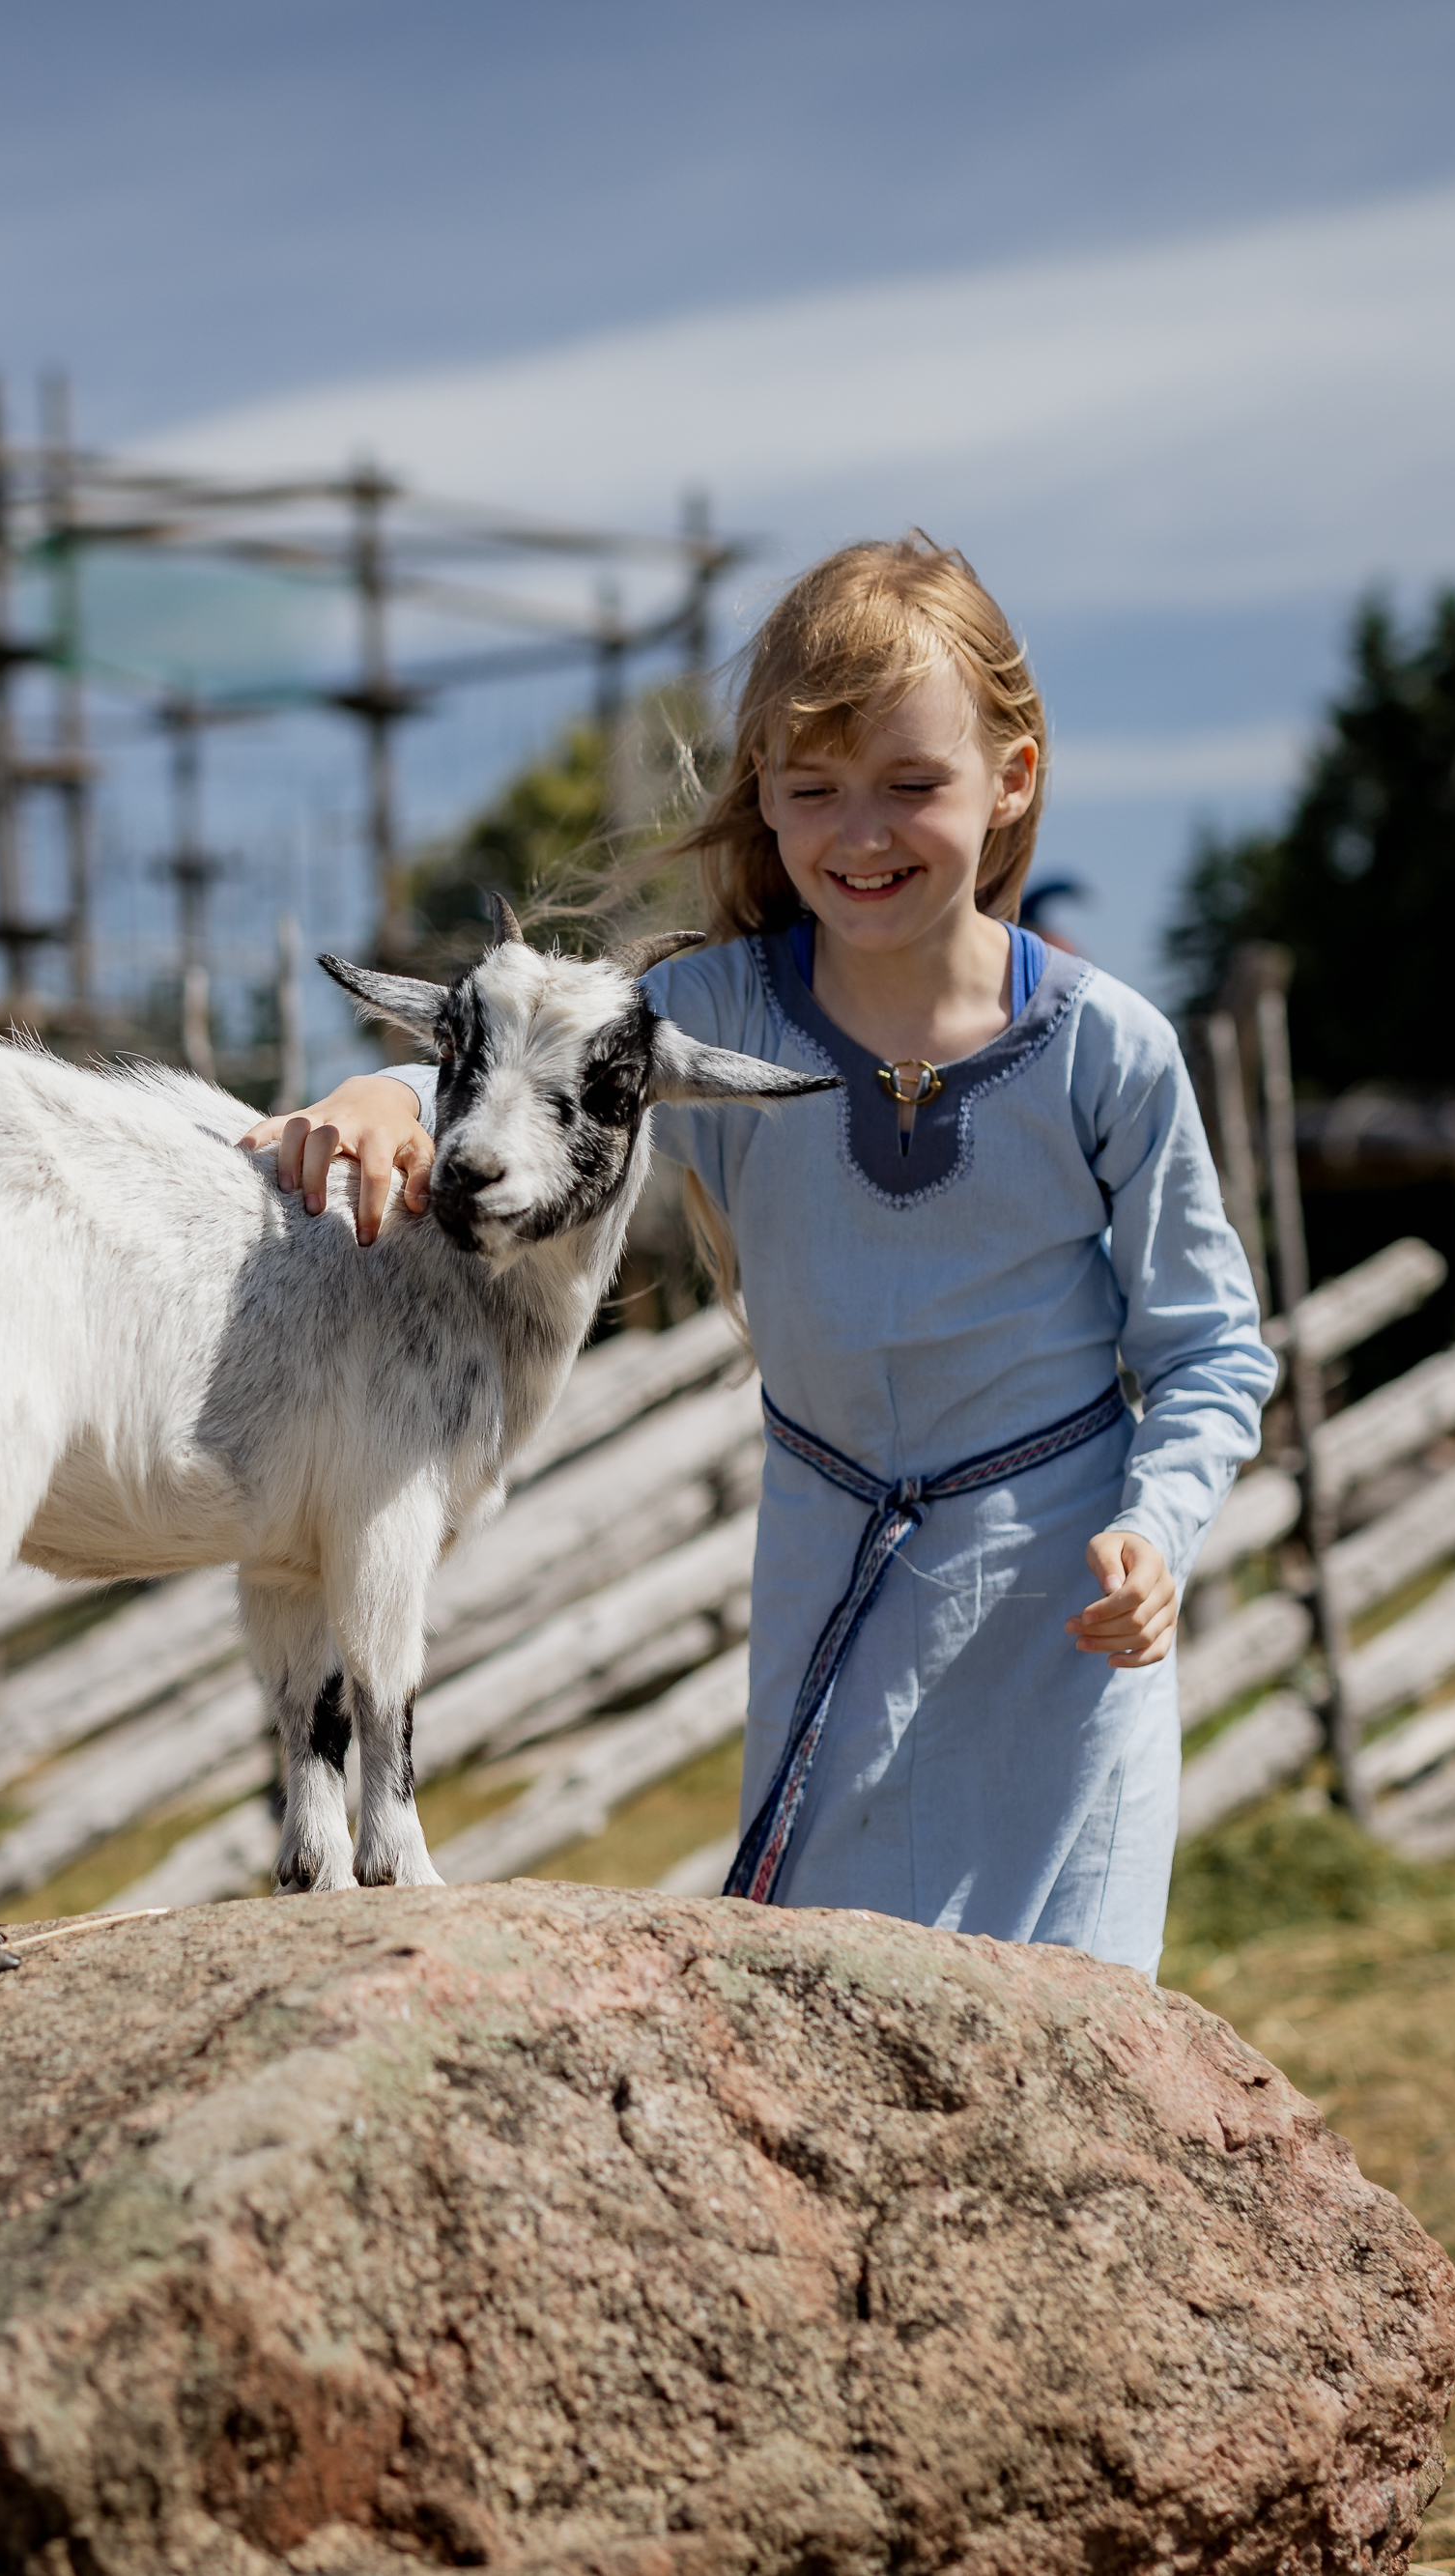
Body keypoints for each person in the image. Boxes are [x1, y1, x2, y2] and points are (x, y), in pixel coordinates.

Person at [244, 537, 1273, 1977]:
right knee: (836, 2005)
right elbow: (531, 1089)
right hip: (833, 1581)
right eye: (811, 791)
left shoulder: (1108, 1049)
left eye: (912, 785)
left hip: (1063, 1620)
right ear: (766, 801)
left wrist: (1157, 1529)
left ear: (1013, 779)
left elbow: (1211, 1346)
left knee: (1069, 2023)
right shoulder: (707, 1015)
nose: (861, 832)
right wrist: (377, 1101)